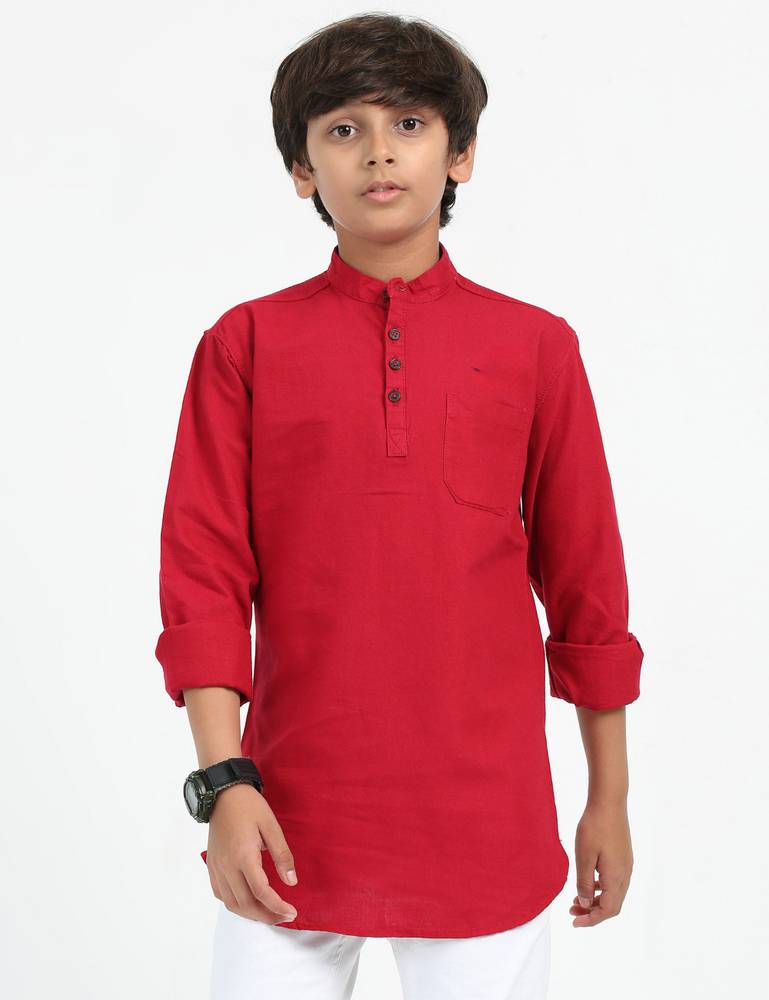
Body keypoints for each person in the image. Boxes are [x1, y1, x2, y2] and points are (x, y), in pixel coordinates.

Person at [154, 12, 644, 1000]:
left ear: (460, 154)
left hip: (485, 818)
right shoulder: (244, 346)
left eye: (409, 123)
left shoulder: (535, 347)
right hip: (288, 814)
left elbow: (586, 583)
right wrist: (224, 783)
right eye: (343, 129)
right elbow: (203, 580)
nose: (378, 151)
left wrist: (609, 798)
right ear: (303, 169)